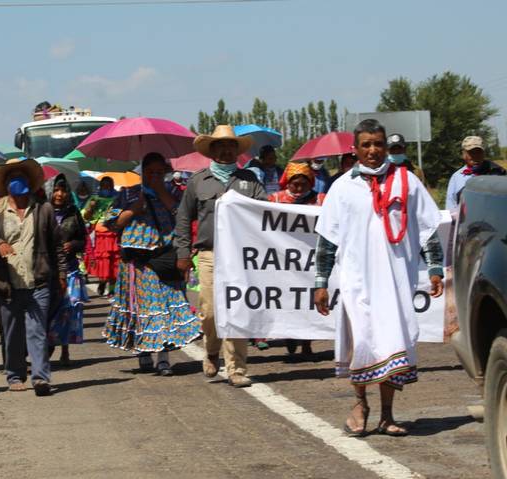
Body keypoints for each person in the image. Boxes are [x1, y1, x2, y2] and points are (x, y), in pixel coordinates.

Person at [314, 119, 444, 437]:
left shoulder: (406, 181)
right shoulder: (343, 187)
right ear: (355, 149)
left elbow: (428, 228)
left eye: (378, 143)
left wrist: (436, 268)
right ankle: (360, 404)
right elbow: (327, 240)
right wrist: (320, 282)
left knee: (392, 343)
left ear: (386, 146)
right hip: (357, 282)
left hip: (396, 283)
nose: (373, 150)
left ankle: (387, 414)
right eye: (366, 144)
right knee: (362, 343)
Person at [175, 125, 268, 388]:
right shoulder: (198, 181)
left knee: (237, 311)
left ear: (237, 151)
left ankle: (236, 368)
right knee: (209, 312)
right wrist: (182, 253)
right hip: (209, 254)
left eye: (231, 146)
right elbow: (183, 218)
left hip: (241, 258)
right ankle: (211, 350)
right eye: (221, 146)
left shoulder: (250, 179)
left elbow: (266, 212)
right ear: (212, 150)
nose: (227, 150)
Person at [104, 152, 201, 375]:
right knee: (142, 310)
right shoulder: (128, 193)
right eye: (151, 172)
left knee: (163, 310)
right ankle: (144, 351)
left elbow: (183, 217)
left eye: (160, 172)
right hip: (137, 263)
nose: (155, 176)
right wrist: (133, 210)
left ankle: (164, 358)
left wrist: (160, 192)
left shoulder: (174, 192)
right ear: (143, 172)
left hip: (164, 258)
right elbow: (112, 224)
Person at [0, 158, 67, 396]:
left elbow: (56, 245)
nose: (18, 180)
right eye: (12, 176)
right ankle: (15, 374)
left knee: (37, 330)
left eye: (22, 176)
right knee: (13, 332)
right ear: (6, 183)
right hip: (7, 283)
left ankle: (40, 378)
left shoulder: (43, 209)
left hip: (38, 281)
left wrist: (62, 274)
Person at [268, 162, 325, 358]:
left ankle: (307, 343)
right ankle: (291, 335)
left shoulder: (320, 200)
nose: (299, 188)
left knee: (309, 301)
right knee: (289, 300)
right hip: (283, 260)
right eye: (295, 185)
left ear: (311, 183)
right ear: (287, 183)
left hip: (310, 258)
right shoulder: (275, 199)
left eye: (304, 184)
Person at [46, 174, 88, 366]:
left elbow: (84, 240)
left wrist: (73, 244)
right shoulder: (43, 212)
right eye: (56, 190)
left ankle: (65, 350)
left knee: (69, 311)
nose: (60, 194)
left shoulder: (73, 213)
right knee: (49, 311)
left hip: (70, 270)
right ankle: (46, 348)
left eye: (63, 190)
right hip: (48, 271)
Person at [445, 135, 505, 211]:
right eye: (471, 152)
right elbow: (451, 206)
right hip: (468, 221)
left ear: (484, 153)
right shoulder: (457, 177)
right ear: (463, 154)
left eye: (478, 152)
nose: (475, 156)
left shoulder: (497, 172)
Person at [82, 176, 119, 297]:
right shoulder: (93, 199)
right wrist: (91, 207)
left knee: (114, 261)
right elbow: (85, 217)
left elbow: (116, 215)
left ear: (112, 187)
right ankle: (102, 282)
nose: (106, 188)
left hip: (113, 234)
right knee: (102, 261)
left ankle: (112, 289)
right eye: (104, 186)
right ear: (100, 186)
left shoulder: (116, 199)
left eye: (108, 186)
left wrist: (111, 211)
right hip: (98, 235)